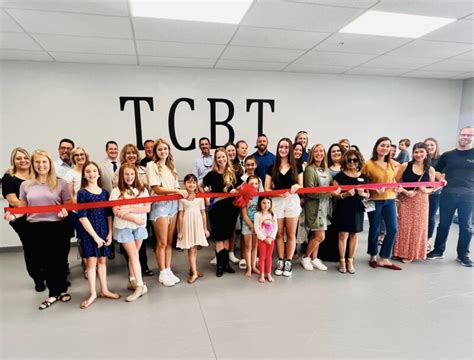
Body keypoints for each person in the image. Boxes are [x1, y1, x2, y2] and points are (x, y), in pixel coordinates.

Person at [12, 150, 73, 309]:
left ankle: (61, 290)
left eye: (44, 162)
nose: (41, 165)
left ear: (49, 164)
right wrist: (12, 216)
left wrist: (65, 210)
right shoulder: (25, 185)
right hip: (35, 228)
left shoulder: (61, 183)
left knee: (59, 260)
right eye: (37, 162)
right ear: (33, 164)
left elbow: (69, 204)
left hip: (57, 226)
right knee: (45, 261)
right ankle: (54, 293)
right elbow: (23, 209)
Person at [428, 126, 474, 267]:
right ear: (459, 136)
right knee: (443, 225)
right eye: (463, 134)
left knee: (466, 227)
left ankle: (463, 255)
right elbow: (435, 170)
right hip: (448, 194)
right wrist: (440, 178)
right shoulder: (448, 155)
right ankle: (438, 251)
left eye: (469, 135)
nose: (465, 137)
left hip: (469, 196)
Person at [77, 161, 120, 308]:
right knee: (91, 263)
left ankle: (104, 290)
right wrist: (95, 236)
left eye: (94, 171)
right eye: (88, 171)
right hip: (89, 232)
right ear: (84, 175)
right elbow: (82, 216)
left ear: (99, 173)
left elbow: (109, 214)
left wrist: (109, 232)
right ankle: (93, 293)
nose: (91, 174)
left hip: (103, 230)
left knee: (102, 261)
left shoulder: (104, 193)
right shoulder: (82, 193)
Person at [146, 138, 188, 286]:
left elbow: (177, 189)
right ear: (155, 152)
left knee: (170, 241)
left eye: (165, 149)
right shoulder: (151, 166)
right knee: (161, 242)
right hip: (160, 205)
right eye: (160, 149)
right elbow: (156, 188)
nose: (163, 151)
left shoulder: (171, 167)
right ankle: (162, 272)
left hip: (173, 205)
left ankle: (168, 269)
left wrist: (180, 192)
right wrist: (177, 191)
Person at [2, 148, 42, 290]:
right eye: (18, 158)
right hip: (22, 220)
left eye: (25, 157)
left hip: (40, 217)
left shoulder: (36, 175)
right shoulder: (8, 178)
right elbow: (13, 200)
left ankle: (50, 276)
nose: (23, 160)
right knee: (31, 249)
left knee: (45, 247)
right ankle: (38, 279)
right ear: (13, 161)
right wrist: (38, 206)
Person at [111, 164, 151, 301]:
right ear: (122, 176)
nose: (129, 177)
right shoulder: (116, 191)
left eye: (132, 174)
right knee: (133, 255)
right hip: (124, 227)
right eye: (126, 174)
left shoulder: (142, 190)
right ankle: (140, 286)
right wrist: (134, 217)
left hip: (139, 227)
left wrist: (128, 209)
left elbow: (147, 208)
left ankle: (132, 280)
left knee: (134, 255)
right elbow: (116, 211)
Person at [200, 148, 242, 277]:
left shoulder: (234, 173)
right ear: (215, 159)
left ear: (227, 157)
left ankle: (226, 264)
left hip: (231, 209)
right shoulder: (211, 174)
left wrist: (237, 191)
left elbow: (243, 186)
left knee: (227, 236)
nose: (221, 159)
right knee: (219, 237)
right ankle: (219, 266)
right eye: (218, 157)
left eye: (223, 157)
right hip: (217, 209)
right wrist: (206, 197)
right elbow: (200, 186)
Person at [265, 138, 303, 277]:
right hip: (277, 202)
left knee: (291, 234)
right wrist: (277, 193)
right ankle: (280, 259)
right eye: (281, 147)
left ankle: (288, 261)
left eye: (286, 147)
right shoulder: (272, 167)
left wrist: (297, 186)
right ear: (278, 148)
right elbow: (266, 189)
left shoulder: (297, 166)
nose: (283, 149)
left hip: (292, 201)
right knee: (279, 234)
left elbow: (301, 185)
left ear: (290, 149)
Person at [114, 144, 153, 277]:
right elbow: (118, 194)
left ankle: (143, 268)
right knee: (131, 251)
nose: (131, 155)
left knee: (141, 247)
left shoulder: (143, 169)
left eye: (134, 153)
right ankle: (134, 276)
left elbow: (146, 191)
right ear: (124, 156)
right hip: (126, 219)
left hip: (141, 212)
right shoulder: (119, 172)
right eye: (128, 153)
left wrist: (133, 207)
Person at [363, 137, 402, 270]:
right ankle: (373, 256)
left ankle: (384, 258)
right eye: (382, 145)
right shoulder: (368, 164)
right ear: (376, 147)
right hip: (375, 200)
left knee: (393, 229)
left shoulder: (391, 163)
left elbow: (394, 179)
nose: (385, 148)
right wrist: (374, 188)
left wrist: (397, 186)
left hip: (390, 199)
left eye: (387, 146)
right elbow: (363, 183)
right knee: (375, 228)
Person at [393, 143, 435, 263]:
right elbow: (395, 182)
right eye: (416, 152)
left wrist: (427, 190)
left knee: (418, 227)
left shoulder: (430, 169)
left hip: (422, 201)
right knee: (403, 226)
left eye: (421, 152)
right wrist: (406, 192)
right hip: (406, 199)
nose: (418, 154)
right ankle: (400, 252)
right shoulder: (405, 166)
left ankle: (412, 253)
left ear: (426, 153)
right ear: (412, 153)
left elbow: (432, 187)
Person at [301, 144, 339, 271]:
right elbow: (310, 191)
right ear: (312, 154)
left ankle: (314, 258)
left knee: (315, 235)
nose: (319, 153)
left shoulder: (325, 170)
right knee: (320, 236)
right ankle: (305, 257)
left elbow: (330, 185)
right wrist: (330, 193)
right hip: (314, 207)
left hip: (324, 207)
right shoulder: (310, 169)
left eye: (321, 151)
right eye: (316, 151)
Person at [332, 150, 369, 274]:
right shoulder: (339, 176)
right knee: (342, 235)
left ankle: (350, 260)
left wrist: (363, 193)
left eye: (355, 160)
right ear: (344, 161)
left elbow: (368, 194)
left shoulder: (364, 177)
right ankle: (342, 260)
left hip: (358, 209)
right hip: (343, 209)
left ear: (359, 161)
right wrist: (345, 195)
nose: (352, 162)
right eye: (349, 160)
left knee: (354, 235)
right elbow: (334, 195)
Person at [177, 174, 210, 284]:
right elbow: (180, 215)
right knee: (191, 249)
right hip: (187, 224)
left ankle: (193, 270)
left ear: (196, 184)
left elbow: (203, 213)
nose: (191, 184)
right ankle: (194, 272)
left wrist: (205, 228)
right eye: (189, 182)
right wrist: (180, 231)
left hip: (197, 224)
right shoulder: (182, 198)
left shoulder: (200, 197)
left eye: (193, 182)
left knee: (194, 249)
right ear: (184, 184)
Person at [64, 147, 90, 279]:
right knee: (84, 238)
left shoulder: (90, 169)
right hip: (78, 212)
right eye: (77, 155)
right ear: (73, 158)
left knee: (93, 237)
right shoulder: (70, 174)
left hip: (93, 211)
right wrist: (81, 209)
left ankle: (93, 262)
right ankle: (87, 265)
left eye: (82, 154)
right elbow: (70, 197)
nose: (80, 157)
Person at [224, 141, 242, 264]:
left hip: (235, 202)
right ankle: (220, 253)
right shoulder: (220, 166)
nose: (231, 153)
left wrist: (237, 190)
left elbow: (243, 184)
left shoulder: (239, 167)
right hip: (221, 202)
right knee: (221, 229)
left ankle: (230, 252)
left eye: (233, 151)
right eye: (228, 150)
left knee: (232, 228)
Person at [254, 196, 278, 283]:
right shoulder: (257, 215)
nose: (266, 205)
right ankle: (261, 274)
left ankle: (268, 273)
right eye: (263, 203)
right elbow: (257, 229)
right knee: (262, 257)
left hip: (271, 239)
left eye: (268, 203)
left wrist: (271, 237)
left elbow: (275, 227)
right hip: (262, 240)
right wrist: (264, 238)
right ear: (260, 203)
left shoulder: (272, 214)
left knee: (269, 257)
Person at [240, 175, 260, 277]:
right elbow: (244, 215)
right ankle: (249, 267)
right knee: (248, 247)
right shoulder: (244, 197)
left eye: (256, 183)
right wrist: (252, 226)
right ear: (247, 185)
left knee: (255, 246)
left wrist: (257, 226)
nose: (254, 186)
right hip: (247, 224)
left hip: (257, 225)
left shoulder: (260, 196)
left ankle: (254, 266)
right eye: (252, 184)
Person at [424, 137, 441, 251]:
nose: (429, 147)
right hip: (420, 193)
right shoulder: (421, 159)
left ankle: (427, 240)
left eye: (432, 145)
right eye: (427, 145)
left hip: (435, 194)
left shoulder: (440, 160)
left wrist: (432, 190)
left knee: (430, 217)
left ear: (436, 147)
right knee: (420, 218)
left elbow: (442, 179)